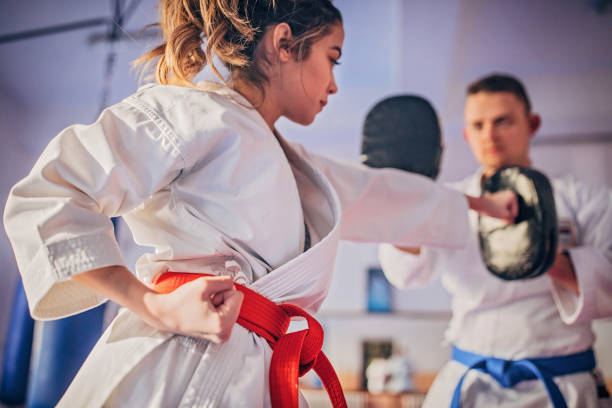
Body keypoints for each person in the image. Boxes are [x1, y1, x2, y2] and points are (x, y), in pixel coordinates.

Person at [3, 2, 516, 407]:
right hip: (179, 367)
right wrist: (151, 302)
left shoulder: (297, 165)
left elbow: (383, 193)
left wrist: (483, 206)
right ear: (285, 44)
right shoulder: (192, 110)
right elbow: (49, 193)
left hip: (259, 375)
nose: (335, 84)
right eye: (331, 58)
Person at [379, 73, 612, 407]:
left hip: (561, 384)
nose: (490, 135)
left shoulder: (585, 199)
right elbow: (407, 273)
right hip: (472, 380)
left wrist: (541, 254)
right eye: (478, 125)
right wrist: (404, 202)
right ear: (466, 134)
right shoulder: (449, 201)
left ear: (532, 124)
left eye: (502, 121)